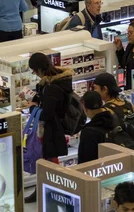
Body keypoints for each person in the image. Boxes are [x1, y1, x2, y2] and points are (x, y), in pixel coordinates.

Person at [26, 53, 74, 202]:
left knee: (50, 163)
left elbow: (47, 113)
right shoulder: (57, 80)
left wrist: (32, 109)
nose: (34, 74)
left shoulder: (53, 87)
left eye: (34, 71)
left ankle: (53, 193)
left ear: (40, 69)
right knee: (46, 161)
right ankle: (42, 190)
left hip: (51, 131)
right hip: (51, 129)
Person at [78, 91, 117, 164]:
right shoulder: (114, 120)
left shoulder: (88, 132)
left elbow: (84, 162)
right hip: (116, 166)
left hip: (97, 171)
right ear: (102, 104)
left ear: (84, 107)